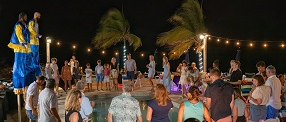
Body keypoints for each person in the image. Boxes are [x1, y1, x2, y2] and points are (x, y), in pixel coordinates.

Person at [7, 12, 34, 93]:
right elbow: (19, 34)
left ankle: (28, 82)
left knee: (27, 64)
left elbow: (28, 34)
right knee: (20, 64)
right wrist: (23, 42)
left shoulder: (24, 24)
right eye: (25, 16)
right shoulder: (18, 24)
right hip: (20, 47)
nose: (26, 18)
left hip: (25, 47)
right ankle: (20, 84)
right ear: (22, 17)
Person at [28, 12, 42, 76]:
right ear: (36, 15)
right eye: (39, 16)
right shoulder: (32, 21)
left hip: (36, 41)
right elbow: (30, 29)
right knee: (34, 55)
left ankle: (37, 70)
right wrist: (36, 34)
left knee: (36, 56)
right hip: (32, 41)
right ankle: (34, 70)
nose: (39, 17)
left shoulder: (36, 22)